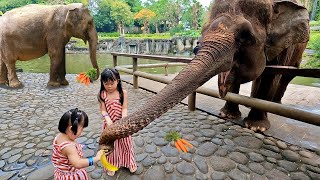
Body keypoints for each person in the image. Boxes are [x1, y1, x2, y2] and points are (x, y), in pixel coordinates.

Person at [98, 68, 137, 176]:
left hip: (122, 124)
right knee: (111, 146)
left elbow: (124, 108)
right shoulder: (102, 94)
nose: (109, 86)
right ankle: (112, 164)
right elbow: (103, 110)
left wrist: (123, 119)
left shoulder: (122, 93)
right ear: (102, 83)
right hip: (109, 125)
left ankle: (129, 163)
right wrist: (108, 120)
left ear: (118, 81)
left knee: (126, 144)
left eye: (112, 83)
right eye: (106, 83)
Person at [51, 108, 104, 180]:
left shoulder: (59, 137)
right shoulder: (69, 147)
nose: (82, 132)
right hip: (72, 176)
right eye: (81, 129)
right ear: (71, 129)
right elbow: (78, 163)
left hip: (61, 173)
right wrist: (96, 158)